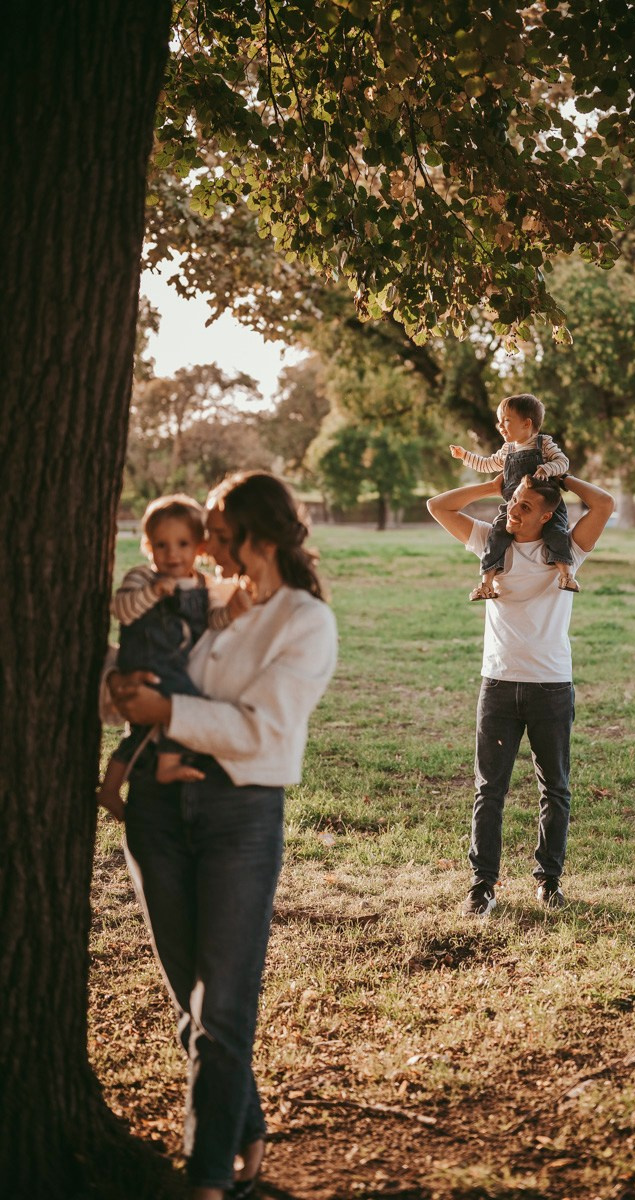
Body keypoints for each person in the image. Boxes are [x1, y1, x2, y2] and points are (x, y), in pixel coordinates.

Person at [102, 471, 338, 1200]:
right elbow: (141, 669)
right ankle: (246, 1121)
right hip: (155, 813)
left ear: (257, 537)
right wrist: (119, 687)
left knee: (225, 1002)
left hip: (238, 816)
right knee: (191, 1000)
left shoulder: (303, 621)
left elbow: (266, 730)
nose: (203, 547)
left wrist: (168, 714)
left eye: (218, 534)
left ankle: (207, 1177)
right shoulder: (208, 600)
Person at [427, 470, 614, 916]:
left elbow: (603, 504)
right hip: (498, 683)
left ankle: (549, 881)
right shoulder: (490, 542)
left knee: (556, 790)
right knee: (489, 790)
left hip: (551, 685)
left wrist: (562, 476)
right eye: (513, 502)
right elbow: (438, 506)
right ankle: (482, 886)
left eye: (525, 506)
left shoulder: (568, 550)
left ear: (548, 515)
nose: (513, 510)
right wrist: (497, 487)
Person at [97, 494, 232, 818]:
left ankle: (110, 789)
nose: (172, 554)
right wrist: (152, 593)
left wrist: (232, 612)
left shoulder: (205, 585)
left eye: (183, 544)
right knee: (188, 704)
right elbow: (122, 610)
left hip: (175, 665)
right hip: (145, 663)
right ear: (148, 546)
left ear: (199, 546)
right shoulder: (142, 578)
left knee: (142, 732)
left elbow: (214, 621)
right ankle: (167, 765)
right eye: (162, 545)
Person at [450, 393, 577, 599]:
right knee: (496, 537)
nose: (500, 426)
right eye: (499, 421)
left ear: (527, 423)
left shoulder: (543, 444)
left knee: (556, 532)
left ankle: (566, 575)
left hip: (545, 506)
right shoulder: (507, 450)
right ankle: (486, 584)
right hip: (512, 505)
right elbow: (487, 464)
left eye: (506, 420)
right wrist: (465, 456)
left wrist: (547, 468)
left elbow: (563, 462)